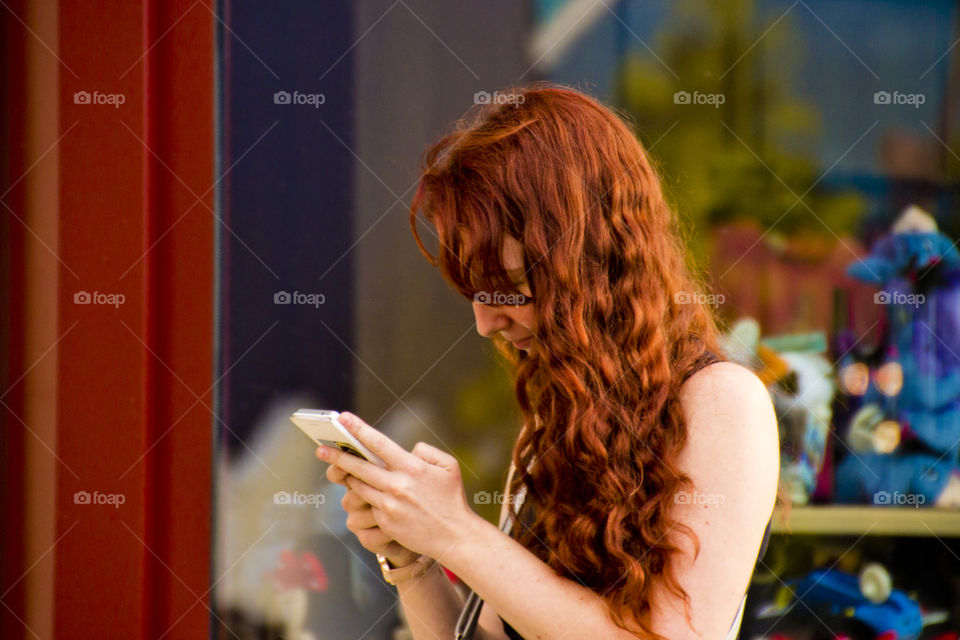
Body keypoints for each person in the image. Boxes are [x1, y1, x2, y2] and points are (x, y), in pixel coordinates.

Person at [318, 83, 781, 640]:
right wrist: (413, 557)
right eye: (473, 294)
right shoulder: (560, 414)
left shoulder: (721, 400)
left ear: (587, 261)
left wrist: (457, 532)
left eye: (507, 290)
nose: (485, 322)